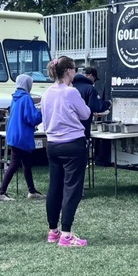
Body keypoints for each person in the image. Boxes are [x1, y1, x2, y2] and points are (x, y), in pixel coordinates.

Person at [41, 55, 92, 247]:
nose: (76, 72)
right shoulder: (70, 92)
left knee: (55, 187)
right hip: (73, 143)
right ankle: (67, 233)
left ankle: (53, 230)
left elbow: (44, 119)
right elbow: (85, 113)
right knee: (72, 188)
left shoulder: (47, 93)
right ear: (69, 71)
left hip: (53, 144)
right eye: (75, 69)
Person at [0, 74, 44, 202]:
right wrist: (42, 112)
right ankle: (1, 192)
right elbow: (32, 118)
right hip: (22, 136)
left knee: (26, 163)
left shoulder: (15, 97)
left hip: (13, 134)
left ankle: (32, 191)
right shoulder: (26, 98)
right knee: (14, 164)